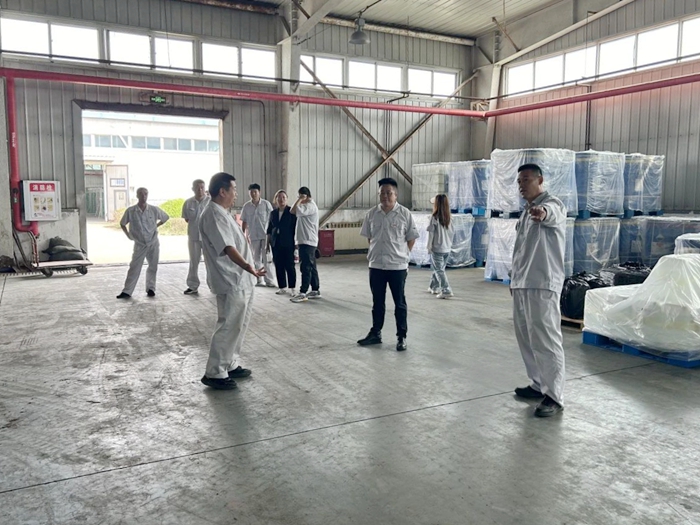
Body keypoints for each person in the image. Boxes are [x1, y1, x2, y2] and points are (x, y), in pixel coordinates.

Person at [198, 172, 266, 391]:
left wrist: (248, 270)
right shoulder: (213, 214)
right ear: (222, 191)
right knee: (228, 325)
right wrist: (248, 266)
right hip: (230, 278)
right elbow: (227, 247)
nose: (236, 194)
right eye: (234, 189)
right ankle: (215, 372)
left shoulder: (223, 212)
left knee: (239, 324)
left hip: (241, 278)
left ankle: (230, 362)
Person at [511, 163, 567, 418]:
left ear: (540, 180)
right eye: (519, 181)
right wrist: (514, 279)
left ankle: (554, 396)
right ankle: (537, 383)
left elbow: (551, 213)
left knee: (546, 339)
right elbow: (520, 250)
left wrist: (543, 213)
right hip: (523, 282)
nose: (521, 185)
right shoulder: (525, 212)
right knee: (526, 337)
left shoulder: (552, 204)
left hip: (542, 283)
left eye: (526, 180)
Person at [358, 178, 419, 351]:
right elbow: (370, 238)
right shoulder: (372, 214)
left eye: (388, 193)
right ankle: (375, 333)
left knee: (399, 303)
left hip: (397, 267)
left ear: (396, 194)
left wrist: (401, 255)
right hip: (376, 265)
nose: (385, 196)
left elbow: (411, 239)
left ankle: (401, 336)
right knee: (377, 302)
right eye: (382, 193)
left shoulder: (405, 214)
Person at [116, 187, 169, 299]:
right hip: (139, 244)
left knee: (153, 266)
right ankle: (127, 291)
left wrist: (156, 226)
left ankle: (151, 288)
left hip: (153, 242)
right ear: (137, 195)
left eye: (145, 194)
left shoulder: (154, 210)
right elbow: (122, 223)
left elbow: (165, 217)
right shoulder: (131, 211)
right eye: (141, 194)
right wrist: (129, 235)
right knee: (134, 267)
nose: (143, 196)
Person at [240, 183, 276, 288]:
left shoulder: (266, 204)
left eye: (255, 192)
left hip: (265, 236)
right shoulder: (246, 206)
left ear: (259, 192)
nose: (253, 194)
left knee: (267, 258)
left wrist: (272, 234)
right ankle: (259, 280)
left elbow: (272, 220)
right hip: (253, 236)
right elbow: (244, 221)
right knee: (255, 259)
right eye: (251, 192)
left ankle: (270, 280)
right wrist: (243, 234)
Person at [289, 186, 320, 303]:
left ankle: (303, 292)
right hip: (306, 240)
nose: (299, 199)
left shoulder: (309, 206)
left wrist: (299, 199)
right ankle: (315, 289)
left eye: (300, 196)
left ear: (305, 196)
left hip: (308, 241)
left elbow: (292, 210)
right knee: (311, 266)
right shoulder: (307, 206)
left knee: (305, 267)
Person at [181, 179, 211, 295]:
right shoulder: (188, 203)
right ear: (193, 189)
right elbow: (187, 219)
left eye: (202, 187)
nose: (200, 190)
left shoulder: (210, 202)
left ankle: (213, 286)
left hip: (208, 238)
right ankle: (192, 286)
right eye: (197, 187)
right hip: (193, 237)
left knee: (211, 262)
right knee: (194, 262)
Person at [267, 189, 297, 296]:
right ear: (276, 199)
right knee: (278, 265)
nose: (281, 199)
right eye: (279, 197)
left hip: (288, 243)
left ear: (287, 199)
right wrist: (267, 244)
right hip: (276, 243)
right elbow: (269, 229)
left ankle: (292, 288)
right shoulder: (273, 213)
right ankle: (282, 287)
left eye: (283, 197)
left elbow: (295, 228)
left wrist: (296, 244)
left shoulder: (291, 212)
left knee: (290, 265)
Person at [427, 194, 454, 299]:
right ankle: (433, 286)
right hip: (447, 248)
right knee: (439, 269)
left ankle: (446, 290)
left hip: (437, 248)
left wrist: (429, 247)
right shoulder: (449, 218)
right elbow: (452, 233)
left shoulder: (434, 217)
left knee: (439, 270)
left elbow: (431, 234)